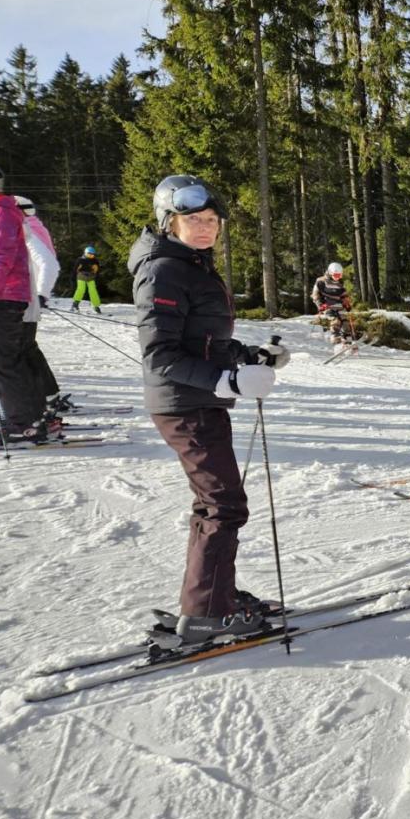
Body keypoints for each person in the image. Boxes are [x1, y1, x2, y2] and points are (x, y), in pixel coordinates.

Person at [128, 173, 290, 645]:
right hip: (184, 404)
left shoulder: (190, 264)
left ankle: (213, 595)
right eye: (192, 219)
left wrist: (247, 356)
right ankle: (206, 615)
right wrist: (227, 379)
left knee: (213, 502)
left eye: (212, 219)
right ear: (168, 221)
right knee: (225, 506)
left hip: (198, 400)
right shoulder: (164, 269)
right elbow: (160, 354)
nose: (205, 227)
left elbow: (202, 339)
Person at [0, 162, 49, 445]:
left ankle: (23, 423)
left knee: (3, 362)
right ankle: (28, 416)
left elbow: (0, 258)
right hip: (3, 295)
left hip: (3, 297)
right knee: (7, 361)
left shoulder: (1, 212)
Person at [15, 196, 64, 423]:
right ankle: (48, 397)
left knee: (19, 353)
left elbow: (48, 264)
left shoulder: (28, 231)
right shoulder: (35, 227)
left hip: (22, 301)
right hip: (25, 300)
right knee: (27, 350)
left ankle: (36, 407)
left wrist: (41, 293)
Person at [311, 262, 354, 342]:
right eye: (337, 275)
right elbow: (315, 295)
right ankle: (335, 338)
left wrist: (347, 303)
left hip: (338, 305)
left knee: (345, 322)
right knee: (335, 320)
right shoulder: (321, 281)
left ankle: (347, 340)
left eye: (340, 275)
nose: (338, 277)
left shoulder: (340, 283)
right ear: (330, 273)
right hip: (327, 305)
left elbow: (343, 295)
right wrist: (320, 304)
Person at [71, 245, 102, 313]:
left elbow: (97, 270)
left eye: (92, 255)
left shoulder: (95, 261)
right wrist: (73, 277)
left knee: (93, 291)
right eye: (89, 254)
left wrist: (97, 277)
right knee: (81, 289)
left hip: (91, 277)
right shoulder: (80, 260)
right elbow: (75, 269)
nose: (91, 256)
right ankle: (75, 304)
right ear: (85, 253)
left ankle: (96, 306)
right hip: (81, 276)